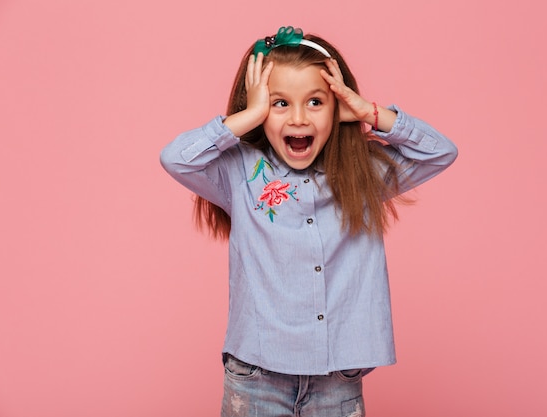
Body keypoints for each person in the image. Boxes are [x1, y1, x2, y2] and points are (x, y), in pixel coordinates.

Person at [160, 26, 458, 417]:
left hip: (337, 379)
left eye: (315, 102)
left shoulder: (361, 171)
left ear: (337, 104)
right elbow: (176, 158)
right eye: (279, 103)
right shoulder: (239, 174)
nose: (299, 118)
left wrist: (369, 112)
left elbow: (440, 152)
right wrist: (247, 116)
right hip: (257, 377)